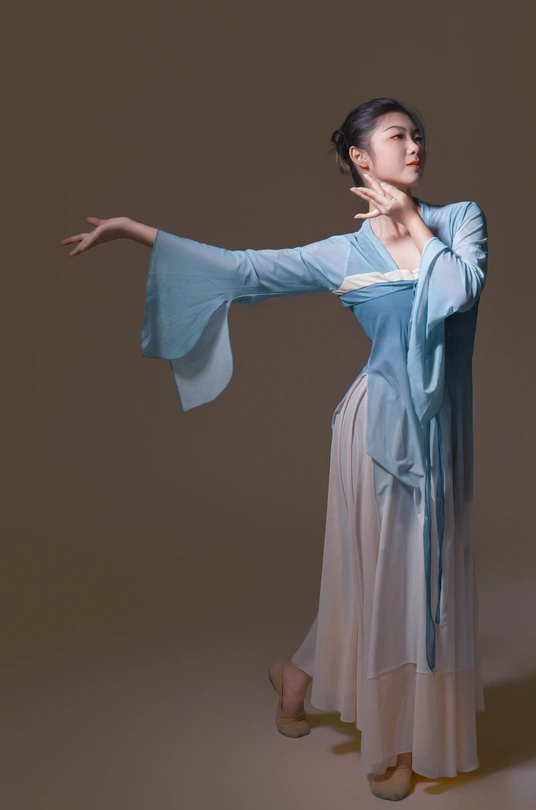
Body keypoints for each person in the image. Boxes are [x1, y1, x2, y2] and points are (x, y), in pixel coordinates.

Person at [59, 97, 488, 802]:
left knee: (415, 583)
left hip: (443, 433)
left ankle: (297, 678)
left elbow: (460, 291)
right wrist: (134, 230)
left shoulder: (460, 219)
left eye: (417, 135)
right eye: (397, 136)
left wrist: (413, 222)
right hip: (379, 432)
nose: (415, 146)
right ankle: (396, 742)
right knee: (386, 584)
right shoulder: (340, 254)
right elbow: (241, 270)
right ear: (360, 157)